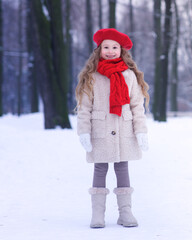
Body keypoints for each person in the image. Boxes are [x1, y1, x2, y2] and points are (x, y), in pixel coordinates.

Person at [75, 28, 149, 228]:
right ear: (99, 50)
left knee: (122, 167)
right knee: (100, 168)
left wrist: (141, 130)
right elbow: (84, 108)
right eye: (106, 47)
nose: (110, 51)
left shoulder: (129, 76)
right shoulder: (91, 77)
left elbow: (137, 106)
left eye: (114, 47)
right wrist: (84, 131)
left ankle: (125, 212)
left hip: (124, 130)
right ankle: (97, 214)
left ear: (121, 51)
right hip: (100, 130)